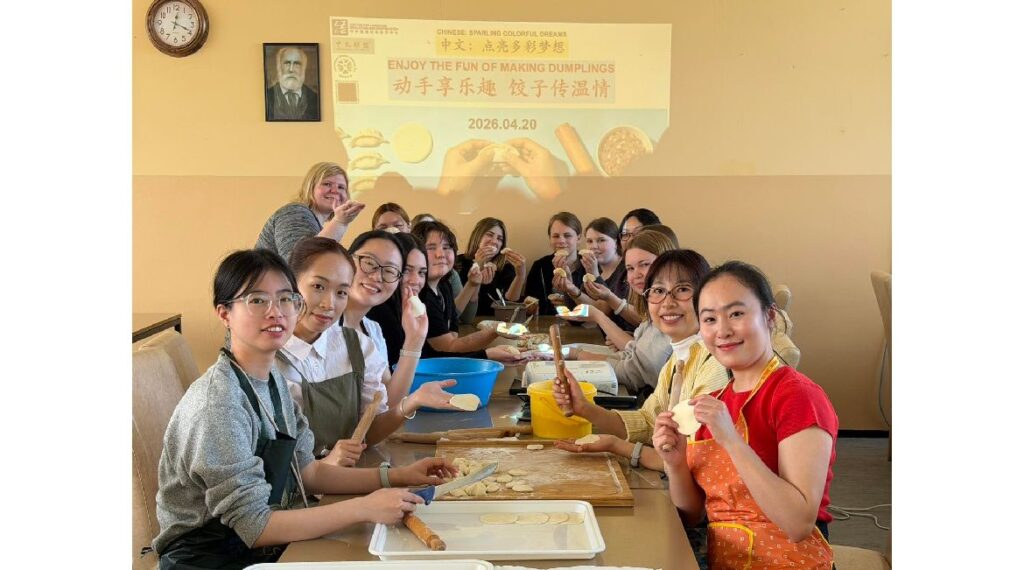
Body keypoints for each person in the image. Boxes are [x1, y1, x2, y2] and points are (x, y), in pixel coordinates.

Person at [152, 249, 456, 568]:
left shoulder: (271, 381)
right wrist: (364, 508)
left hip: (263, 547)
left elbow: (309, 472)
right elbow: (255, 525)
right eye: (257, 300)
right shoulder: (218, 403)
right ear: (225, 313)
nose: (276, 312)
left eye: (285, 299)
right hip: (207, 558)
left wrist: (398, 476)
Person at [653, 261, 838, 569]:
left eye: (736, 314)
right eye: (709, 319)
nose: (723, 330)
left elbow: (797, 523)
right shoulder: (712, 404)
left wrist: (732, 440)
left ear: (770, 317)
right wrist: (675, 463)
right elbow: (693, 515)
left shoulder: (797, 396)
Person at [277, 237, 460, 466]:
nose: (328, 304)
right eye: (318, 287)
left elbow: (369, 428)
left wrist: (412, 401)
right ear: (291, 283)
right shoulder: (266, 354)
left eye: (341, 292)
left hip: (345, 479)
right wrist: (324, 466)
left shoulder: (360, 344)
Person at [553, 249, 727, 472]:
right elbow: (648, 421)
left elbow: (693, 461)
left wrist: (618, 446)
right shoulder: (679, 356)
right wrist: (585, 408)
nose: (667, 302)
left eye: (682, 289)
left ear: (706, 298)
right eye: (658, 291)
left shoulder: (714, 365)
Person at [561, 229, 676, 397]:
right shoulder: (652, 307)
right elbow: (634, 354)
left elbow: (633, 372)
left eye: (645, 264)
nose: (636, 274)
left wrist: (576, 354)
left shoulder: (670, 310)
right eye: (630, 268)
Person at [411, 221, 530, 363]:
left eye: (446, 247)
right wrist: (491, 343)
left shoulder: (443, 285)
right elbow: (447, 349)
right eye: (431, 248)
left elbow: (453, 334)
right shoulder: (419, 294)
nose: (440, 254)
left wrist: (496, 330)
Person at [255, 162, 365, 263]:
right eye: (327, 184)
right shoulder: (295, 212)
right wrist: (340, 222)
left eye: (341, 187)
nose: (335, 191)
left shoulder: (317, 226)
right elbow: (296, 264)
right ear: (310, 187)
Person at [559, 217, 635, 333]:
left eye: (601, 240)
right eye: (589, 241)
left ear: (616, 242)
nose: (594, 246)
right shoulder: (592, 268)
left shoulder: (626, 269)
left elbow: (606, 312)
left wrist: (594, 275)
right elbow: (578, 315)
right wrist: (568, 286)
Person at [454, 217, 528, 322]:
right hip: (465, 322)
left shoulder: (506, 267)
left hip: (497, 322)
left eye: (499, 239)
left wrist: (520, 277)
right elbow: (458, 305)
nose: (494, 241)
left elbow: (510, 303)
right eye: (489, 235)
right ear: (478, 236)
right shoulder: (458, 262)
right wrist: (478, 266)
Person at [523, 212, 588, 316]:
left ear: (578, 238)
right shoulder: (540, 266)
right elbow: (529, 305)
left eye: (567, 235)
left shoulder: (589, 266)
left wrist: (569, 302)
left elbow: (598, 308)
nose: (561, 241)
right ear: (550, 239)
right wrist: (531, 308)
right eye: (556, 236)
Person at [266, 46, 319, 121]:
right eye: (287, 63)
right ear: (279, 67)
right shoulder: (268, 95)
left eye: (297, 64)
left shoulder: (315, 98)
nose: (291, 69)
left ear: (303, 68)